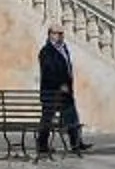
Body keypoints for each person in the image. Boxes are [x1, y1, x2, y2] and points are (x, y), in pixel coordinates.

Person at [36, 26, 87, 157]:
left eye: (61, 33)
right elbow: (49, 72)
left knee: (72, 117)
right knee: (48, 118)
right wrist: (61, 84)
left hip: (66, 91)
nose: (60, 36)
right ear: (50, 35)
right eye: (57, 33)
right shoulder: (46, 51)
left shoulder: (63, 48)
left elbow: (67, 68)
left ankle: (76, 143)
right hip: (51, 92)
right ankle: (42, 145)